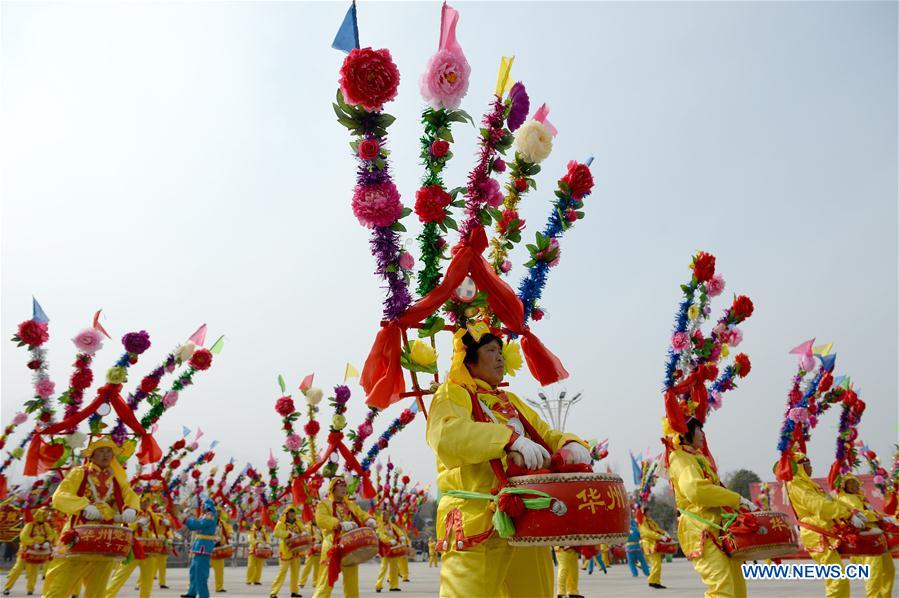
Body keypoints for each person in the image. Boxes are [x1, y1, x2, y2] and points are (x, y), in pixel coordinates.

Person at [425, 328, 592, 598]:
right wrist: (509, 439)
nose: (500, 357)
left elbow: (544, 434)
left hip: (526, 516)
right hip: (476, 520)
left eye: (501, 351)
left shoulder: (510, 401)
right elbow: (447, 435)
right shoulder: (452, 394)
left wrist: (570, 444)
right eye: (491, 350)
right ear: (468, 359)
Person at [43, 437, 141, 598]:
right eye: (101, 451)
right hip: (79, 536)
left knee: (98, 590)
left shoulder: (117, 478)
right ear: (92, 455)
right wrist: (83, 506)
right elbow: (60, 496)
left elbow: (129, 495)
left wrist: (131, 509)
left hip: (107, 538)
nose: (105, 455)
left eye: (109, 451)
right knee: (60, 587)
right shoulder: (80, 473)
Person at [667, 418, 754, 598]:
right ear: (686, 431)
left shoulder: (697, 457)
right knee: (721, 587)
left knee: (737, 586)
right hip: (701, 530)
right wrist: (736, 499)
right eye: (698, 429)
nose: (702, 434)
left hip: (719, 527)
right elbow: (696, 491)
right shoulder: (680, 458)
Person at [312, 477, 378, 598]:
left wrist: (369, 519)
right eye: (341, 486)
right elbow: (321, 519)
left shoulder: (350, 504)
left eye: (345, 486)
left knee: (352, 583)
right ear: (333, 489)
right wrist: (339, 524)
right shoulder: (324, 504)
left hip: (351, 544)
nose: (344, 488)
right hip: (332, 545)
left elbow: (361, 514)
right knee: (326, 581)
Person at [835, 474, 895, 598]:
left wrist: (884, 517)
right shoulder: (845, 498)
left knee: (889, 570)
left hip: (877, 537)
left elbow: (871, 512)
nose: (854, 485)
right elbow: (860, 514)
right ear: (844, 486)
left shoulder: (861, 497)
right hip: (865, 538)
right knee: (874, 573)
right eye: (850, 483)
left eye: (855, 482)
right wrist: (879, 517)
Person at [104, 494, 162, 598]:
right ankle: (108, 596)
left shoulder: (151, 515)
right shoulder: (131, 513)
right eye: (143, 501)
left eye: (148, 501)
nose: (145, 503)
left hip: (148, 550)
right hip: (133, 549)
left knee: (147, 582)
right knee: (120, 577)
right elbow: (124, 527)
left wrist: (165, 521)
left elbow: (160, 527)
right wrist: (136, 524)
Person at [3, 508, 55, 596]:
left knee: (33, 572)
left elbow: (51, 534)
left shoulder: (45, 525)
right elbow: (23, 536)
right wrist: (33, 543)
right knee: (17, 569)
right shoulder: (30, 525)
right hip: (26, 551)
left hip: (38, 551)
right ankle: (7, 587)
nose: (45, 517)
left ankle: (30, 590)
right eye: (43, 515)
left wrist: (47, 541)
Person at [182, 498, 219, 598]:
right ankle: (192, 592)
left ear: (207, 506)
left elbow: (198, 525)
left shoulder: (210, 515)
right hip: (199, 545)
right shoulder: (204, 515)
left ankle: (204, 595)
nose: (201, 506)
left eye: (202, 504)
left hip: (204, 546)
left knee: (201, 573)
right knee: (194, 571)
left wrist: (186, 520)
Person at [269, 505, 304, 598]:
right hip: (286, 551)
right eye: (290, 512)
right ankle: (273, 592)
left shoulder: (298, 522)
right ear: (286, 513)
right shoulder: (281, 522)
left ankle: (294, 592)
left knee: (295, 573)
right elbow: (276, 533)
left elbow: (304, 530)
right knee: (282, 572)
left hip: (296, 551)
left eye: (293, 512)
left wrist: (303, 534)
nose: (292, 514)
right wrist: (288, 534)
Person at [637, 509, 670, 590]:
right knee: (656, 564)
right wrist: (660, 536)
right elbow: (647, 533)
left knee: (657, 564)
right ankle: (652, 581)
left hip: (655, 544)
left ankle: (656, 582)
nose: (649, 512)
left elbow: (657, 529)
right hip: (649, 545)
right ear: (644, 512)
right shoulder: (643, 522)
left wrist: (664, 533)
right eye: (647, 511)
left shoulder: (651, 521)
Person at [374, 511, 402, 593]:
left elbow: (398, 531)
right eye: (384, 515)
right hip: (385, 549)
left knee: (394, 568)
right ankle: (378, 585)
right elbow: (380, 535)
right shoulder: (379, 526)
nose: (386, 517)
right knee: (384, 567)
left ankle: (394, 586)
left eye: (387, 515)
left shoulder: (391, 525)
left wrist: (402, 536)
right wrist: (389, 540)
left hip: (393, 548)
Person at [209, 509, 234, 593]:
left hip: (219, 548)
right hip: (207, 548)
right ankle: (193, 586)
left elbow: (229, 529)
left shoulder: (222, 523)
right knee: (201, 570)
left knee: (219, 570)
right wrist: (212, 538)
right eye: (216, 512)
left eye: (219, 512)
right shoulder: (207, 521)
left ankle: (219, 587)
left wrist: (230, 534)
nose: (218, 514)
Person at [298, 520, 322, 592]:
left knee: (317, 567)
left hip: (319, 547)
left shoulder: (321, 525)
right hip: (311, 548)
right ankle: (302, 582)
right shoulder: (308, 526)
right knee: (307, 566)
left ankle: (315, 582)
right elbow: (307, 536)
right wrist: (314, 539)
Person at [245, 517, 270, 586]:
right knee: (251, 565)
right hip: (253, 550)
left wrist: (268, 543)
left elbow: (267, 537)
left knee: (259, 566)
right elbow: (250, 538)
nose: (258, 523)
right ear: (254, 522)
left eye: (259, 521)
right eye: (257, 521)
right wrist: (256, 543)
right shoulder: (251, 529)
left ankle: (256, 580)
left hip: (262, 549)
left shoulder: (263, 530)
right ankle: (249, 580)